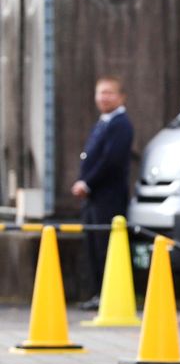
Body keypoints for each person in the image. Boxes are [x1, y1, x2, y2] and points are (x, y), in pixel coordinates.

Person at [71, 76, 134, 310]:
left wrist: (86, 183)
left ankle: (109, 295)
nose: (104, 97)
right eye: (100, 93)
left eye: (109, 92)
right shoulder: (104, 122)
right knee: (94, 247)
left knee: (106, 245)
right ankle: (99, 293)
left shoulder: (121, 124)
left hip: (108, 196)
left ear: (121, 96)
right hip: (94, 197)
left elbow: (111, 160)